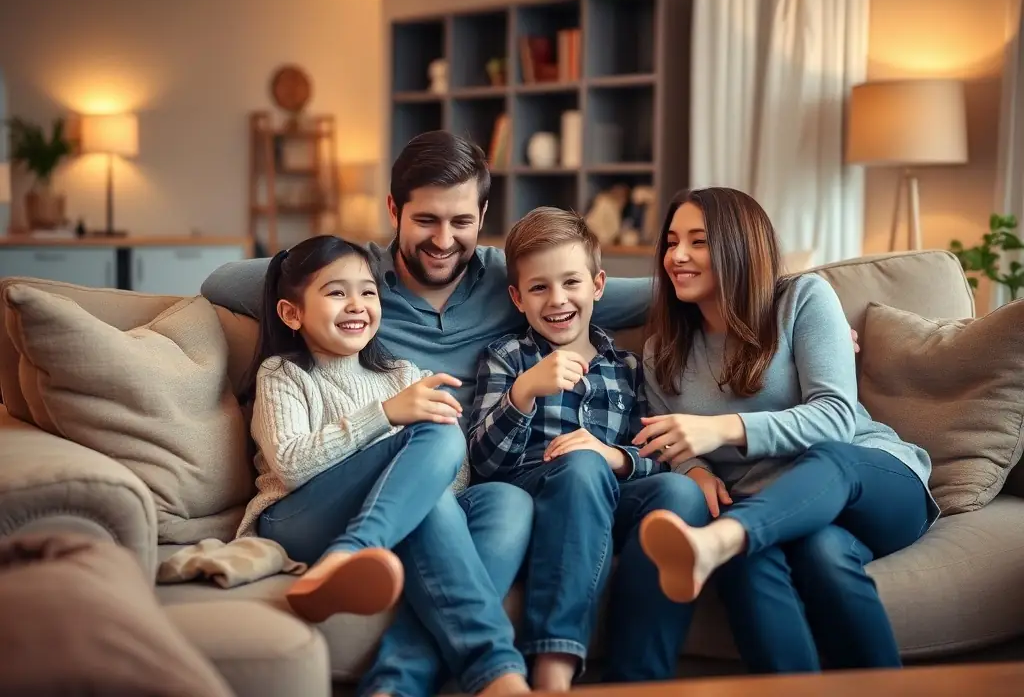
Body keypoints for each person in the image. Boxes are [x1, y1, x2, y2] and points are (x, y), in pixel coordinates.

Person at [201, 131, 652, 696]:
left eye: (461, 221)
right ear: (394, 210)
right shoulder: (357, 280)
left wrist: (755, 285)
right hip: (327, 493)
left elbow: (632, 292)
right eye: (426, 220)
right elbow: (223, 281)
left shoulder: (510, 279)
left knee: (506, 500)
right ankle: (494, 668)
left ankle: (395, 685)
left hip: (440, 481)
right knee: (437, 439)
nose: (444, 239)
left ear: (483, 215)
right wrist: (335, 276)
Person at [631, 187, 940, 674]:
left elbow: (837, 415)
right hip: (784, 517)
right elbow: (670, 440)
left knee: (828, 461)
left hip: (873, 481)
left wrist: (724, 429)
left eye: (698, 241)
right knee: (811, 558)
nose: (677, 256)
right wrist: (694, 471)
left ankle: (717, 541)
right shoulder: (661, 353)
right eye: (671, 242)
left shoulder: (803, 298)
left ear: (739, 246)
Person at [467, 207, 713, 692]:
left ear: (598, 285)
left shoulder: (627, 365)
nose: (557, 300)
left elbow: (657, 450)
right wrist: (523, 392)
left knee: (682, 497)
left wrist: (616, 456)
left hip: (610, 495)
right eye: (539, 287)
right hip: (533, 495)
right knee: (580, 466)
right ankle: (552, 669)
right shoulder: (507, 357)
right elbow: (483, 462)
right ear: (517, 297)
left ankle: (638, 679)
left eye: (571, 283)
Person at [237, 234, 471, 622]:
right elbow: (291, 466)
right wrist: (384, 415)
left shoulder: (403, 375)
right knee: (440, 433)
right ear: (292, 313)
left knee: (505, 501)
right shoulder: (284, 374)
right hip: (297, 519)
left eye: (368, 293)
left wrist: (411, 491)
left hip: (377, 513)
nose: (356, 306)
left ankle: (493, 667)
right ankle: (350, 551)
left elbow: (457, 473)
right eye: (336, 293)